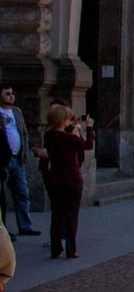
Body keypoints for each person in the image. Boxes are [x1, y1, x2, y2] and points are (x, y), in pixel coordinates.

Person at [42, 105, 93, 259]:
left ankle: (55, 247)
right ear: (63, 121)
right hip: (72, 179)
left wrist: (72, 127)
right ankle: (71, 249)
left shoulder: (49, 135)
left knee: (57, 214)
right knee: (71, 215)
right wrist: (88, 128)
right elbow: (88, 145)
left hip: (55, 178)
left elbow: (58, 137)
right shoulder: (70, 138)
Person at [0, 85, 38, 236]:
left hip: (18, 158)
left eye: (13, 93)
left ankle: (25, 226)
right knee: (2, 196)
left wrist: (25, 150)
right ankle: (3, 230)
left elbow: (23, 132)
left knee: (22, 192)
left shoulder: (16, 111)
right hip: (3, 160)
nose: (11, 96)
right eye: (7, 93)